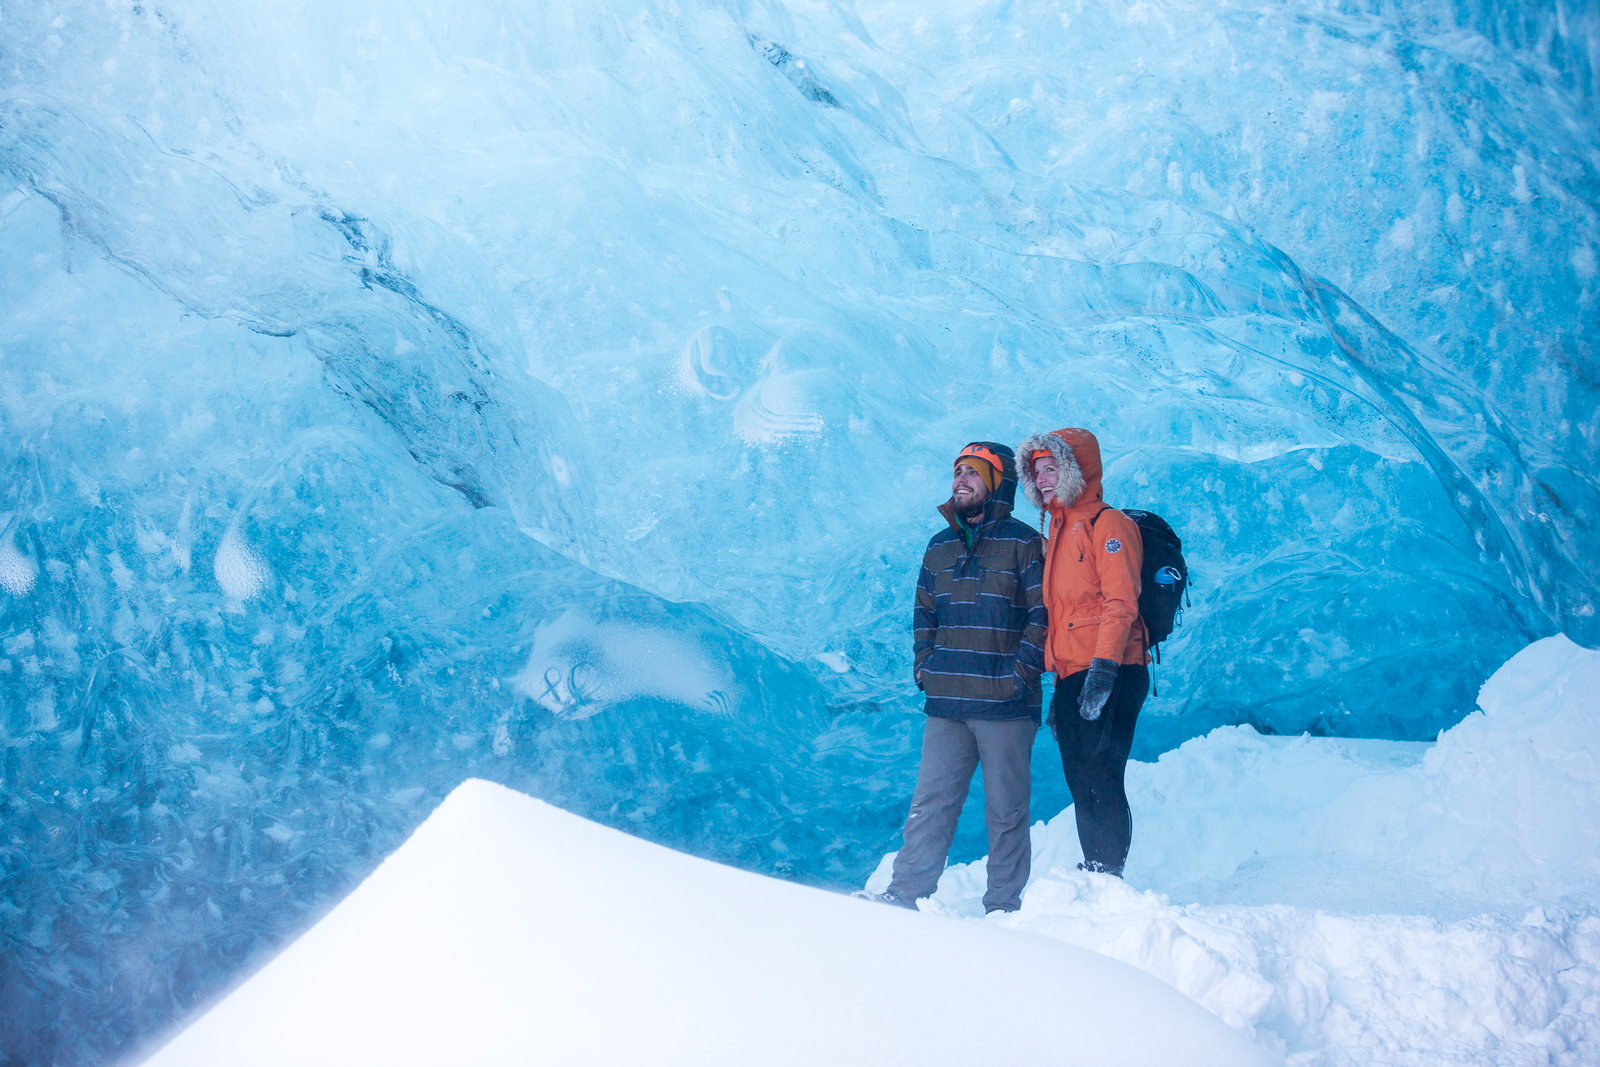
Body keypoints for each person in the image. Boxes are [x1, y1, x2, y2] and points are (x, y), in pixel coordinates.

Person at [866, 442, 1047, 914]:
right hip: (947, 701)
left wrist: (1017, 677)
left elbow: (1043, 617)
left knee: (1006, 813)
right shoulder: (939, 546)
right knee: (931, 804)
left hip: (1006, 705)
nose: (959, 480)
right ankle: (904, 894)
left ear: (995, 482)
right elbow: (924, 612)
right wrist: (925, 665)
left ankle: (1002, 909)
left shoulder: (1025, 542)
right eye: (957, 472)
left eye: (972, 472)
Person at [1015, 427, 1149, 878]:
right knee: (1078, 773)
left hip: (1114, 667)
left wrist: (1104, 668)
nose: (1044, 479)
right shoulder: (1057, 528)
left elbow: (1121, 603)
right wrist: (1061, 682)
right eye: (1038, 472)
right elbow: (1062, 615)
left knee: (1102, 770)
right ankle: (1096, 864)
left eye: (1052, 468)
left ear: (1077, 469)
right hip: (1073, 672)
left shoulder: (1108, 525)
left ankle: (1107, 869)